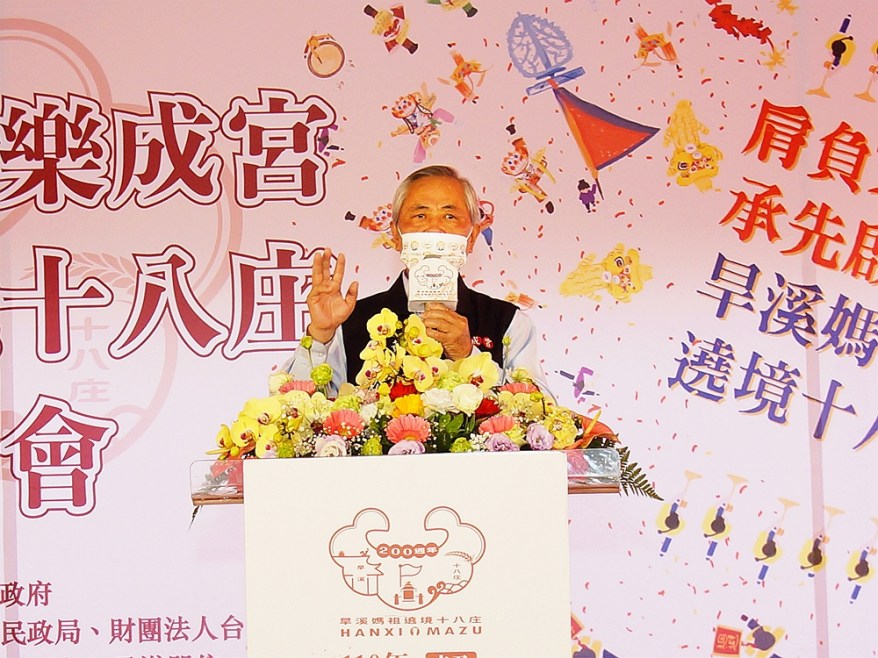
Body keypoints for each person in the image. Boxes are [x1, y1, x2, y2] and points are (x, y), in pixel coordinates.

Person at [281, 165, 553, 396]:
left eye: (449, 216)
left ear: (472, 237)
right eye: (420, 215)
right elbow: (293, 410)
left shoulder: (507, 322)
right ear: (396, 235)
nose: (434, 228)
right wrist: (320, 335)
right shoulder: (351, 320)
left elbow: (540, 414)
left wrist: (467, 355)